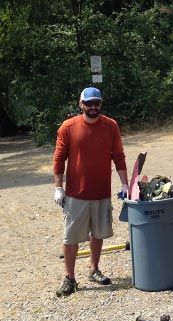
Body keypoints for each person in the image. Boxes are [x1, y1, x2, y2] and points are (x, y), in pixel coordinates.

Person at [53, 87, 129, 297]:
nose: (93, 107)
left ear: (100, 104)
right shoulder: (68, 127)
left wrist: (125, 184)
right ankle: (69, 278)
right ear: (81, 105)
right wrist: (59, 188)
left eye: (97, 103)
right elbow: (59, 159)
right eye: (89, 103)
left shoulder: (111, 126)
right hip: (76, 194)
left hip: (101, 191)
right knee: (71, 237)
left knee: (98, 233)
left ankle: (94, 269)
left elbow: (119, 156)